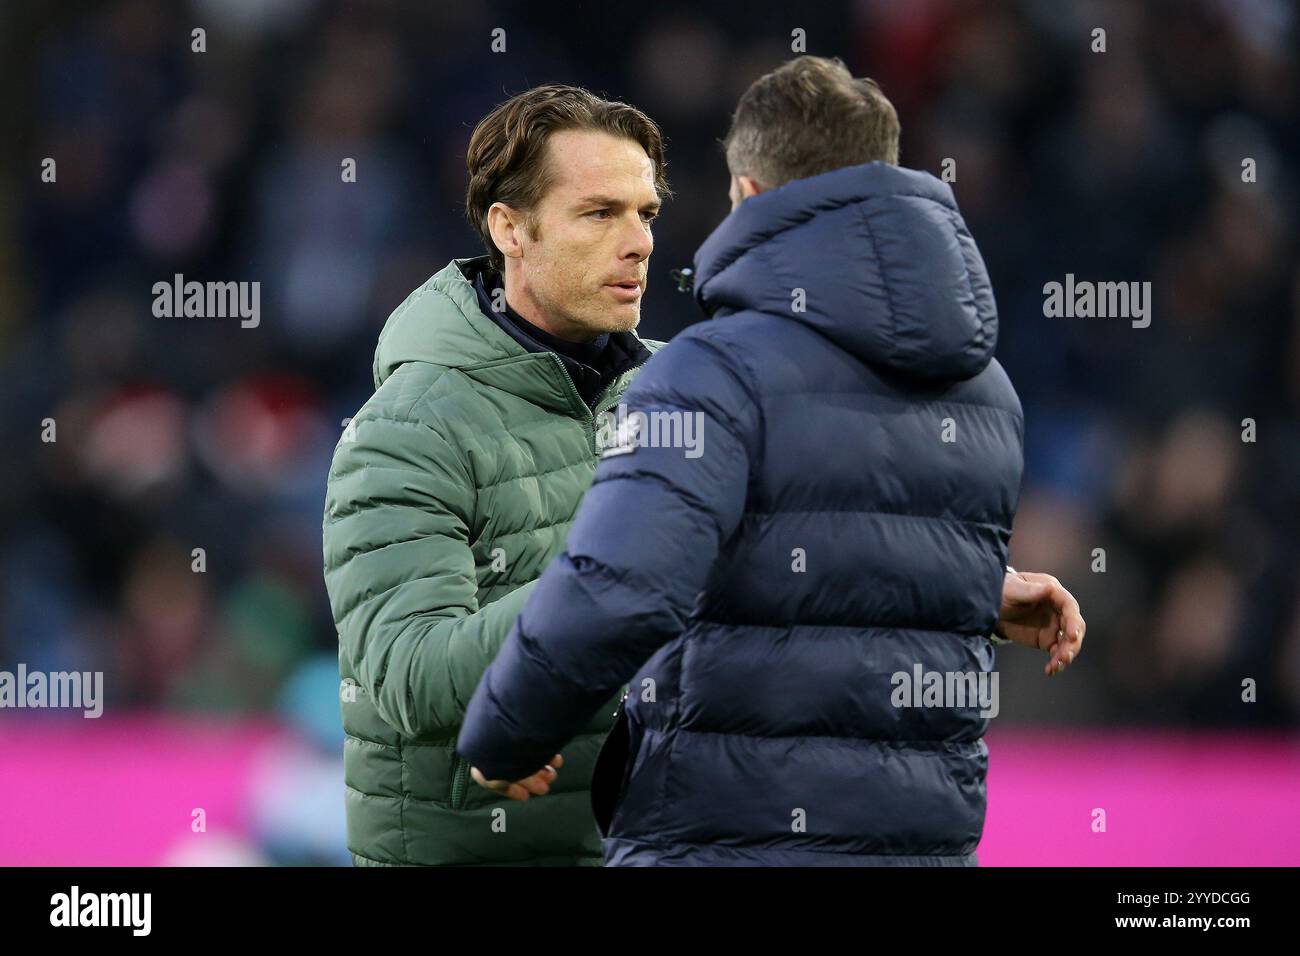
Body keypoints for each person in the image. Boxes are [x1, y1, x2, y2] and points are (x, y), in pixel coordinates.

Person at [456, 56, 1085, 866]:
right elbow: (842, 540)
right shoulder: (986, 390)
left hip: (725, 838)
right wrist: (970, 587)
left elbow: (624, 591)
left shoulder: (711, 370)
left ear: (749, 197)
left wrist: (507, 731)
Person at [321, 84, 668, 866]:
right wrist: (610, 584)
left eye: (644, 213)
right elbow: (411, 675)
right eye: (599, 212)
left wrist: (969, 594)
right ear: (510, 228)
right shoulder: (410, 427)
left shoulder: (688, 397)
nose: (639, 241)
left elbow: (798, 554)